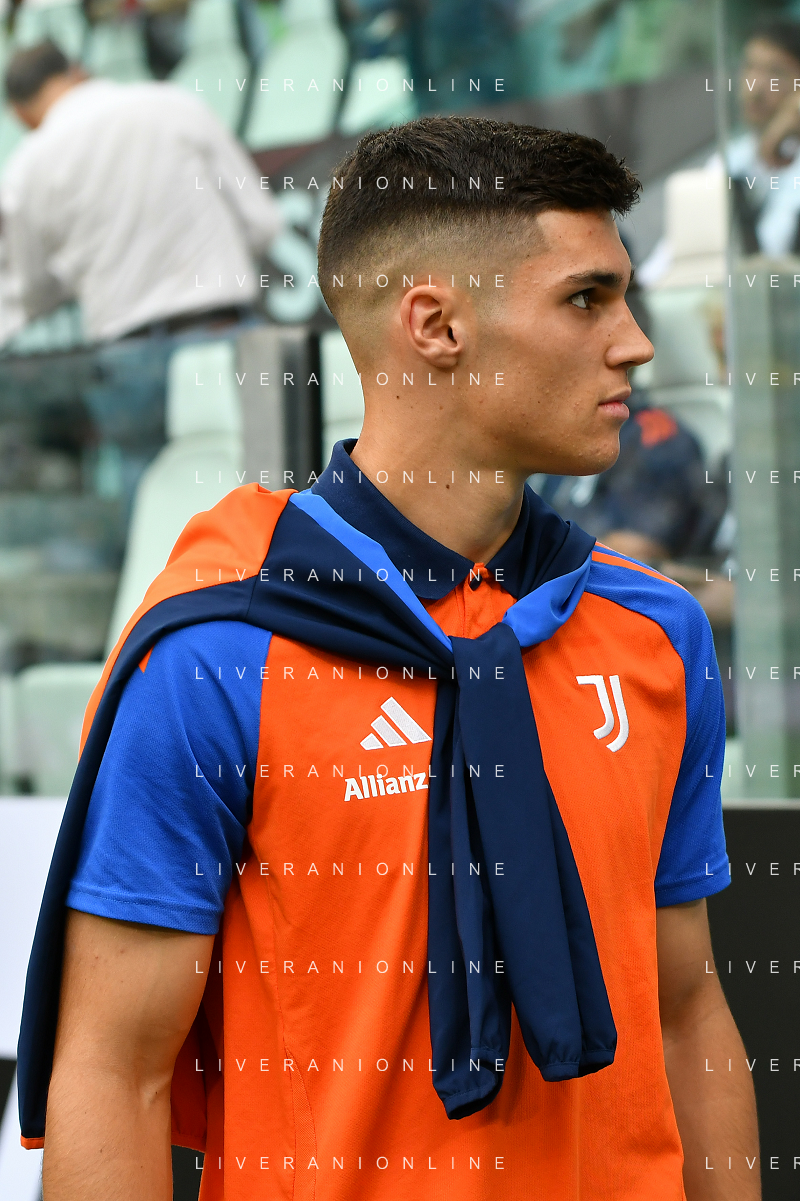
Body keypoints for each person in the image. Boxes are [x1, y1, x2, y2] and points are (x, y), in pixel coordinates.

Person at [18, 117, 759, 1201]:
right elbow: (112, 1073)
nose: (635, 343)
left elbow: (686, 1008)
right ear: (435, 325)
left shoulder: (653, 631)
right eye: (586, 299)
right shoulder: (215, 651)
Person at [0, 39, 283, 344]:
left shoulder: (27, 167)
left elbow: (32, 291)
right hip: (220, 322)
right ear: (78, 72)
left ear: (19, 114)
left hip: (126, 344)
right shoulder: (174, 104)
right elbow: (262, 224)